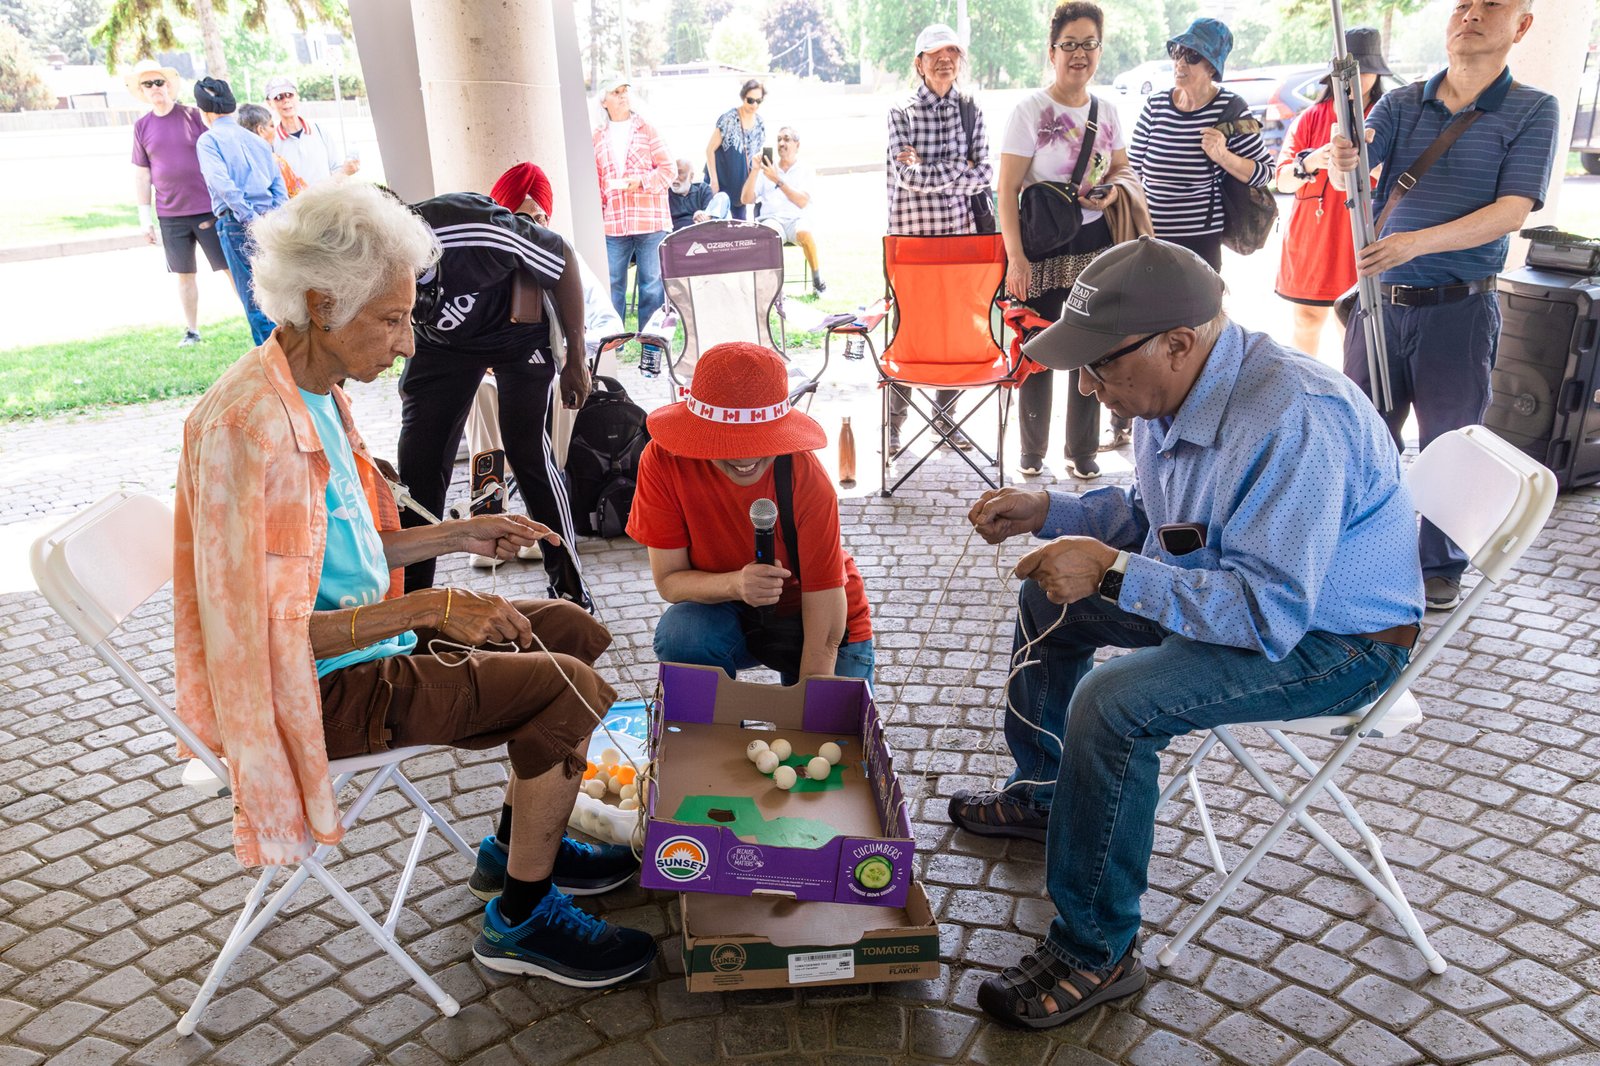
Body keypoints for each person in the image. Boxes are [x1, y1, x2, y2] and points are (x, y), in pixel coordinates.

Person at [172, 180, 656, 989]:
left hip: (364, 647)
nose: (407, 344)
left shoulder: (312, 391)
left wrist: (459, 535)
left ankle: (513, 849)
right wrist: (433, 604)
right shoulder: (246, 428)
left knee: (573, 630)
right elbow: (254, 638)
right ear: (321, 304)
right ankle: (521, 918)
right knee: (566, 685)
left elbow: (342, 549)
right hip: (314, 693)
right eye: (393, 320)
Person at [949, 237, 1423, 1029]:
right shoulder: (1173, 391)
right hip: (1241, 592)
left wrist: (1111, 571)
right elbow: (1155, 514)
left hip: (1338, 642)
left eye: (1100, 365)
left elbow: (1268, 614)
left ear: (1178, 342)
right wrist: (1050, 510)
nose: (1088, 386)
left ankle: (1097, 950)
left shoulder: (1294, 418)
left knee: (1113, 704)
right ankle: (1045, 792)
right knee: (1049, 598)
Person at [1329, 0, 1557, 612]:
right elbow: (1356, 163)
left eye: (1492, 3)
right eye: (1462, 3)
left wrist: (1414, 243)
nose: (1472, 14)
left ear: (1522, 25)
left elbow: (1511, 212)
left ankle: (1439, 564)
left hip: (1460, 310)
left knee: (1451, 444)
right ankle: (1362, 551)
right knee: (1362, 435)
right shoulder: (1403, 102)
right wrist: (1343, 156)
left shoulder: (1534, 108)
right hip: (1379, 306)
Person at [628, 342, 875, 686]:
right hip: (730, 609)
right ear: (699, 435)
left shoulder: (806, 474)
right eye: (727, 443)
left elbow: (824, 612)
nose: (744, 458)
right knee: (682, 633)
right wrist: (737, 584)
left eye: (759, 442)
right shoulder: (662, 460)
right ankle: (711, 718)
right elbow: (669, 580)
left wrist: (809, 704)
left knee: (826, 714)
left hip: (817, 619)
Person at [395, 183, 595, 608]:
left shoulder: (477, 229)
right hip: (441, 346)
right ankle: (412, 603)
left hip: (517, 334)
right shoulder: (368, 263)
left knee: (527, 450)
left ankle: (571, 588)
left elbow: (561, 258)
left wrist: (576, 358)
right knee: (418, 463)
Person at [463, 163, 627, 570]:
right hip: (496, 375)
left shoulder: (562, 254)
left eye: (539, 218)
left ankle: (541, 519)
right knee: (480, 390)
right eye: (520, 218)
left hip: (551, 371)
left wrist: (570, 354)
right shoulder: (483, 261)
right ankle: (489, 517)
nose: (531, 228)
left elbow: (608, 323)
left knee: (554, 386)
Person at [1000, 1, 1130, 481]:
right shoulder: (1030, 110)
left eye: (1089, 44)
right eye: (1069, 44)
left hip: (1096, 244)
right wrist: (1016, 258)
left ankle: (1082, 449)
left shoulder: (1107, 111)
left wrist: (1113, 189)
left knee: (1091, 349)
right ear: (1051, 51)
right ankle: (1032, 450)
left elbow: (1122, 168)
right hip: (1041, 246)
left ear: (1100, 50)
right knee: (1037, 344)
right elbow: (1006, 190)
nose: (1080, 54)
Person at [885, 23, 996, 455]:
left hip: (960, 243)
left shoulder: (971, 108)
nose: (945, 60)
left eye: (952, 52)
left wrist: (934, 170)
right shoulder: (901, 111)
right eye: (935, 54)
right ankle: (894, 427)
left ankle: (945, 421)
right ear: (919, 63)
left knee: (956, 334)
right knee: (907, 334)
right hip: (912, 247)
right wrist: (957, 167)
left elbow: (985, 173)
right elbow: (906, 177)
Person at [1274, 27, 1391, 358]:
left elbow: (1402, 179)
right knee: (1307, 320)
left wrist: (1365, 162)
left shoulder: (1387, 116)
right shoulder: (1310, 118)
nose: (1354, 79)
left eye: (1364, 70)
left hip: (1364, 235)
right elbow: (1282, 181)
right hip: (1313, 235)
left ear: (1376, 73)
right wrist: (1312, 160)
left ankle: (1352, 389)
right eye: (1348, 71)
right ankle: (1304, 385)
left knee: (1355, 324)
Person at [1128, 18, 1274, 271]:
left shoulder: (1230, 108)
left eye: (1192, 55)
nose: (1180, 62)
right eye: (1177, 52)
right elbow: (1132, 170)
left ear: (1212, 67)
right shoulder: (1156, 105)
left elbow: (1266, 172)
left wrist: (1223, 156)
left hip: (1201, 243)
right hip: (1150, 236)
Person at [128, 58, 227, 348]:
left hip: (207, 208)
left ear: (169, 85)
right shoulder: (142, 126)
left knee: (229, 267)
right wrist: (144, 219)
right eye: (148, 84)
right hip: (170, 215)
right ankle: (192, 331)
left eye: (159, 82)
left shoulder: (193, 116)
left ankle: (256, 320)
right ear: (142, 91)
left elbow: (216, 153)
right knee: (184, 274)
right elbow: (142, 174)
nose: (155, 88)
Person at [194, 77, 284, 346]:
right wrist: (274, 217)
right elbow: (277, 183)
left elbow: (222, 184)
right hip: (271, 220)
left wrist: (250, 218)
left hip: (237, 223)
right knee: (279, 293)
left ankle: (274, 363)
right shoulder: (256, 140)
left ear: (204, 111)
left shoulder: (209, 141)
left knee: (255, 299)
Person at [591, 77, 673, 329]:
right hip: (614, 223)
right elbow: (597, 183)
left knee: (651, 284)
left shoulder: (647, 129)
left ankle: (651, 342)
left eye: (624, 91)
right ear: (604, 101)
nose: (622, 96)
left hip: (650, 220)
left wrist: (641, 182)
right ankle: (613, 341)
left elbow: (668, 170)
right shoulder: (597, 137)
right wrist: (599, 216)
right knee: (611, 283)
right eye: (615, 92)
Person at [741, 126, 826, 295]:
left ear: (797, 145)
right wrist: (755, 170)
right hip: (772, 219)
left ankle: (818, 281)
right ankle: (776, 289)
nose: (781, 143)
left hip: (797, 219)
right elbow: (745, 199)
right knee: (771, 234)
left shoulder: (805, 170)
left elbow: (802, 201)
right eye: (779, 139)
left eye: (786, 139)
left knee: (805, 233)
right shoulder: (766, 170)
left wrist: (777, 180)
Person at [263, 75, 359, 184]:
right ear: (270, 103)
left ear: (297, 96)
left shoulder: (320, 131)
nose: (286, 100)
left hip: (327, 194)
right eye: (278, 97)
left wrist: (346, 171)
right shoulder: (271, 141)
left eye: (289, 95)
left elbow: (336, 168)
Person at [706, 79, 766, 221]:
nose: (755, 105)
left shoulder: (760, 123)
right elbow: (709, 150)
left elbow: (756, 155)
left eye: (759, 101)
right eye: (750, 100)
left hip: (741, 185)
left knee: (739, 225)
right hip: (721, 180)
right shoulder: (729, 119)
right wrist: (714, 181)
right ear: (743, 97)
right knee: (716, 224)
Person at [237, 102, 307, 198]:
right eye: (272, 126)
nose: (274, 130)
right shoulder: (275, 162)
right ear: (261, 130)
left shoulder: (237, 161)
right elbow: (299, 195)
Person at [668, 159, 730, 230]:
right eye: (673, 173)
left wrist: (702, 214)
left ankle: (710, 225)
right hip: (677, 233)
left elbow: (710, 210)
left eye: (680, 173)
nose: (675, 177)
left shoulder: (702, 189)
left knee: (722, 196)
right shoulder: (665, 194)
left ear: (691, 177)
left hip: (703, 229)